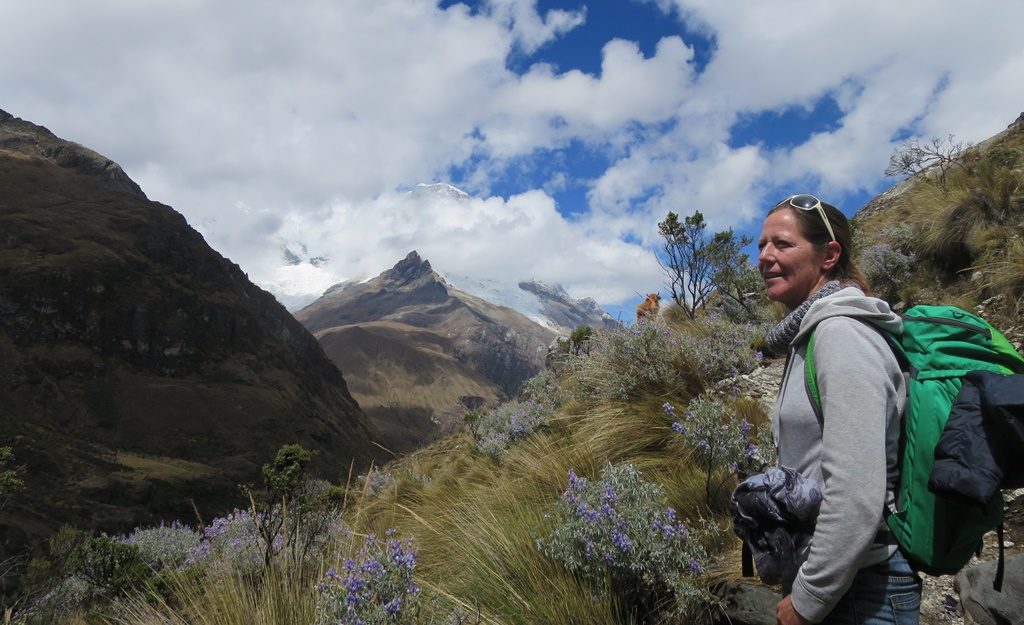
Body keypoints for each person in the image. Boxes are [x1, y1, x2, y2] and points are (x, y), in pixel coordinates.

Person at [757, 194, 921, 625]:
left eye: (782, 244)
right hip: (843, 581)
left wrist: (810, 598)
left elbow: (856, 489)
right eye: (761, 246)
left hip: (861, 590)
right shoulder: (808, 334)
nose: (765, 257)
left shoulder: (841, 334)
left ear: (829, 255)